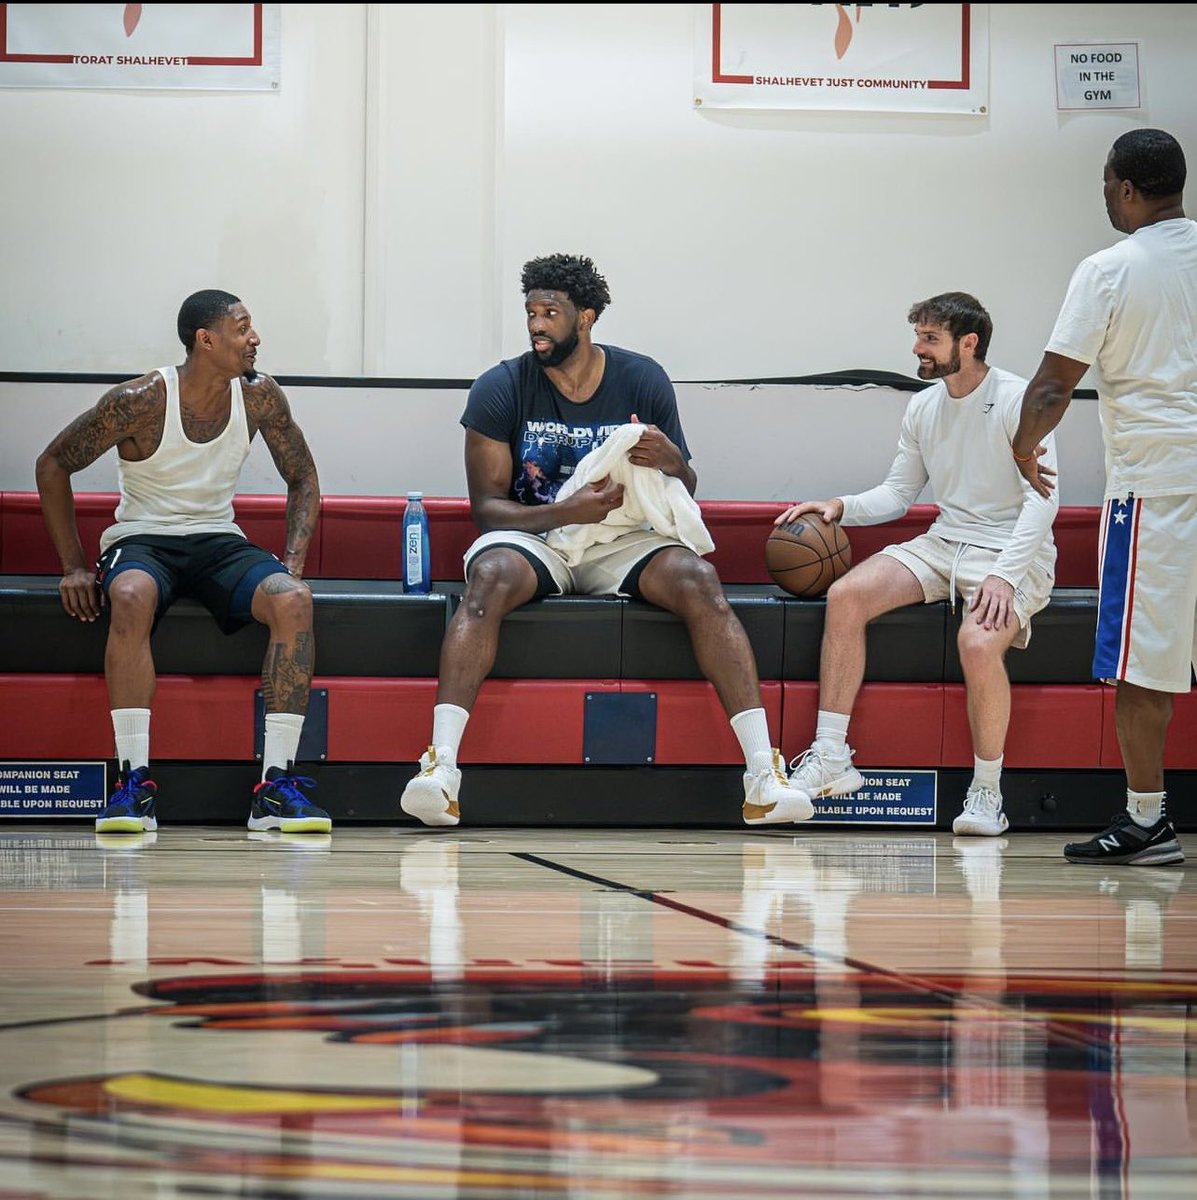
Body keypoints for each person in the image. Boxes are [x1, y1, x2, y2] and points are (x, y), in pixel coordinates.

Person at [399, 252, 810, 828]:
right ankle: (441, 772)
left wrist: (675, 462)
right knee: (487, 576)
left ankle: (763, 778)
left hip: (620, 537)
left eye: (550, 312)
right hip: (539, 533)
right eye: (530, 312)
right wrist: (567, 509)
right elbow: (488, 512)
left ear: (586, 317)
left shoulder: (640, 377)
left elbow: (681, 488)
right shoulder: (500, 386)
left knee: (699, 579)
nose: (537, 325)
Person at [35, 289, 331, 836]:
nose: (255, 338)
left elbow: (304, 477)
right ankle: (133, 785)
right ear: (207, 339)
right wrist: (75, 566)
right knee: (128, 595)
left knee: (294, 599)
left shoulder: (260, 395)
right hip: (144, 539)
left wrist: (292, 562)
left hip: (217, 539)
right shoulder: (143, 398)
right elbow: (53, 463)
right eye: (244, 328)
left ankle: (274, 789)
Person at [777, 292, 1059, 836]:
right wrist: (841, 507)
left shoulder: (1020, 399)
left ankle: (986, 793)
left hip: (1011, 551)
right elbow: (898, 495)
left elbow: (1044, 500)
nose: (917, 348)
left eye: (930, 338)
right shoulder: (923, 405)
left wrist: (1003, 576)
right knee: (847, 595)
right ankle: (832, 756)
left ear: (968, 343)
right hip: (945, 542)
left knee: (977, 643)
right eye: (919, 336)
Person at [1013, 128, 1195, 868]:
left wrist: (1021, 446)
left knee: (1141, 665)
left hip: (1156, 485)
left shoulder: (1110, 268)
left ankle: (1147, 822)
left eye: (1103, 184)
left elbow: (1055, 383)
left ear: (1123, 187)